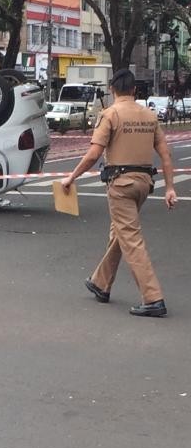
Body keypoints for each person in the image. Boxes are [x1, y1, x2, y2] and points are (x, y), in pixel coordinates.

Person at [61, 68, 177, 317]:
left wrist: (71, 177)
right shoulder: (149, 115)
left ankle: (153, 298)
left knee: (130, 238)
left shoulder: (110, 114)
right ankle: (101, 283)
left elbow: (93, 154)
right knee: (121, 233)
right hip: (145, 184)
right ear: (134, 90)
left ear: (113, 89)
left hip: (120, 185)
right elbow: (165, 155)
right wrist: (169, 188)